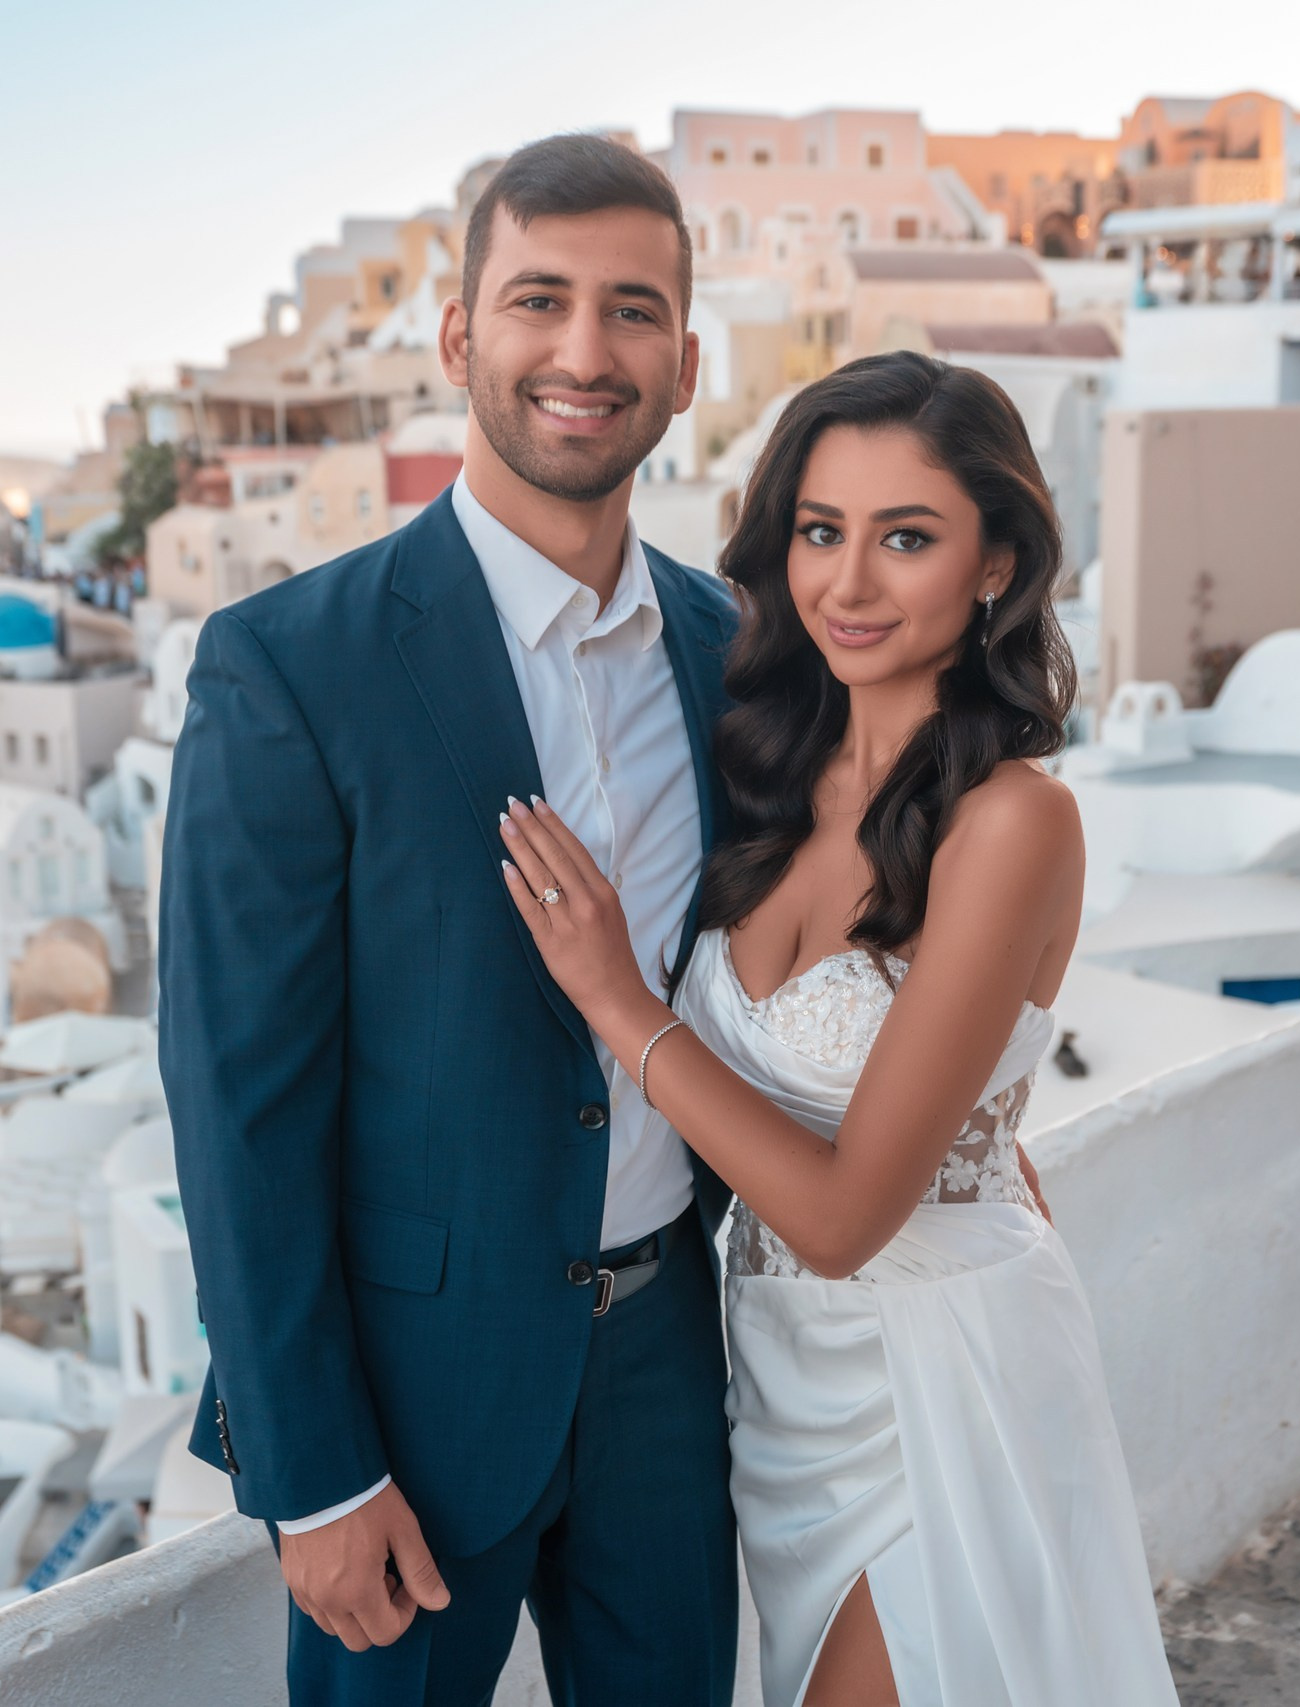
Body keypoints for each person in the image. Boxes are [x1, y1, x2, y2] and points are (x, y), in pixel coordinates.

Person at [497, 350, 1176, 1707]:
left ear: (996, 565)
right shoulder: (766, 778)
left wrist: (621, 1004)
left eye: (906, 539)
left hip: (938, 1377)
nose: (848, 585)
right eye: (819, 532)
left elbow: (845, 1217)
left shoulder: (1015, 821)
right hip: (771, 1386)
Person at [159, 134, 741, 1705]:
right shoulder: (289, 667)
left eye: (633, 312)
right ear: (458, 337)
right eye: (537, 299)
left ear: (685, 365)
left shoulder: (732, 650)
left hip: (670, 1374)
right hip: (404, 1413)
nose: (582, 351)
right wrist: (312, 1473)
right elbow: (239, 1107)